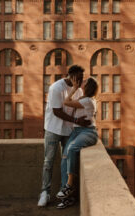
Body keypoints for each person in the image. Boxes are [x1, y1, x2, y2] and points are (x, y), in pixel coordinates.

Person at [37, 65, 91, 207]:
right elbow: (57, 111)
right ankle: (45, 193)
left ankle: (64, 193)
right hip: (53, 129)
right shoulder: (56, 88)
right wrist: (75, 121)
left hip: (68, 131)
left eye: (81, 78)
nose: (79, 81)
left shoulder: (78, 90)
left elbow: (79, 109)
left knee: (67, 162)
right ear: (70, 76)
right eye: (78, 78)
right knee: (48, 162)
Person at [56, 77, 99, 209]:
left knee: (72, 149)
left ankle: (69, 186)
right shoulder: (84, 99)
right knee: (64, 159)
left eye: (84, 82)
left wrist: (74, 88)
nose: (82, 82)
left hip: (88, 132)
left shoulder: (87, 101)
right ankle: (67, 197)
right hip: (77, 132)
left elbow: (66, 102)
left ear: (88, 87)